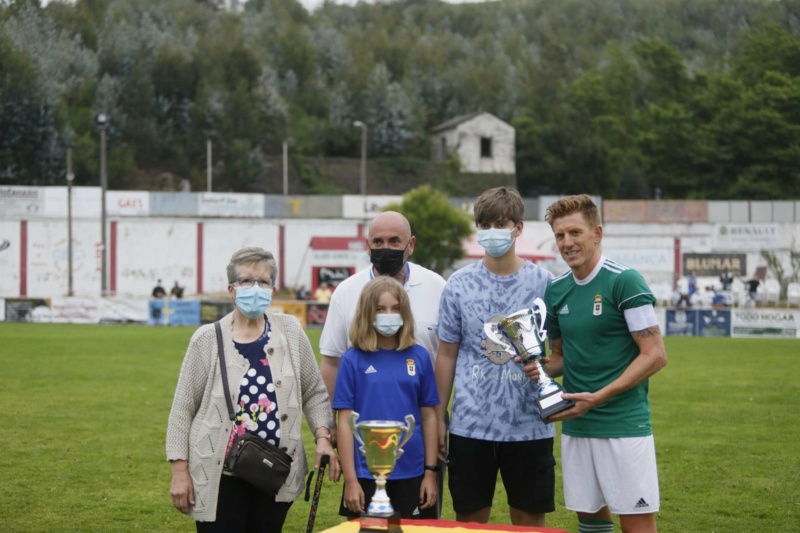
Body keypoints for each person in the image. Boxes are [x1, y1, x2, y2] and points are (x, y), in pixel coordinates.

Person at [166, 247, 341, 532]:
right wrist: (179, 472)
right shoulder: (206, 339)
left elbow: (314, 392)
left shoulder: (291, 332)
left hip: (275, 470)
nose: (255, 288)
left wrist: (323, 437)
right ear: (231, 289)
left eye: (263, 281)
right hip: (220, 474)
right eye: (247, 281)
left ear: (272, 288)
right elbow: (182, 410)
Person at [527, 194, 667, 533]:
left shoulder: (625, 281)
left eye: (575, 232)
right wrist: (539, 367)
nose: (567, 242)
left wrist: (600, 396)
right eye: (560, 235)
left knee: (636, 524)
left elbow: (655, 354)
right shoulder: (557, 291)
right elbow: (561, 357)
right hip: (577, 425)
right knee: (590, 523)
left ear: (597, 233)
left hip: (622, 425)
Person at [434, 187, 556, 527]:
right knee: (471, 523)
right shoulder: (458, 285)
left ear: (518, 227)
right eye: (484, 224)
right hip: (471, 427)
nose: (491, 232)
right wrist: (438, 414)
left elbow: (561, 352)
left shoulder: (545, 284)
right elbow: (446, 355)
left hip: (531, 426)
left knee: (529, 524)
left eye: (500, 223)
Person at [319, 210, 446, 516]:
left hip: (418, 445)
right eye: (378, 241)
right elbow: (331, 361)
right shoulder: (347, 291)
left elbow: (446, 359)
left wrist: (440, 422)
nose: (385, 247)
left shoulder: (437, 286)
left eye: (394, 240)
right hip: (364, 451)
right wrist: (330, 426)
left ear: (410, 244)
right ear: (367, 244)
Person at [334, 276, 440, 520]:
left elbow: (429, 417)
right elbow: (344, 422)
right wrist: (351, 480)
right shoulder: (352, 359)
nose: (388, 315)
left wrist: (430, 473)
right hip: (365, 473)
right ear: (367, 313)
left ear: (405, 313)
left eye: (395, 308)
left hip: (412, 470)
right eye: (380, 309)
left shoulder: (420, 357)